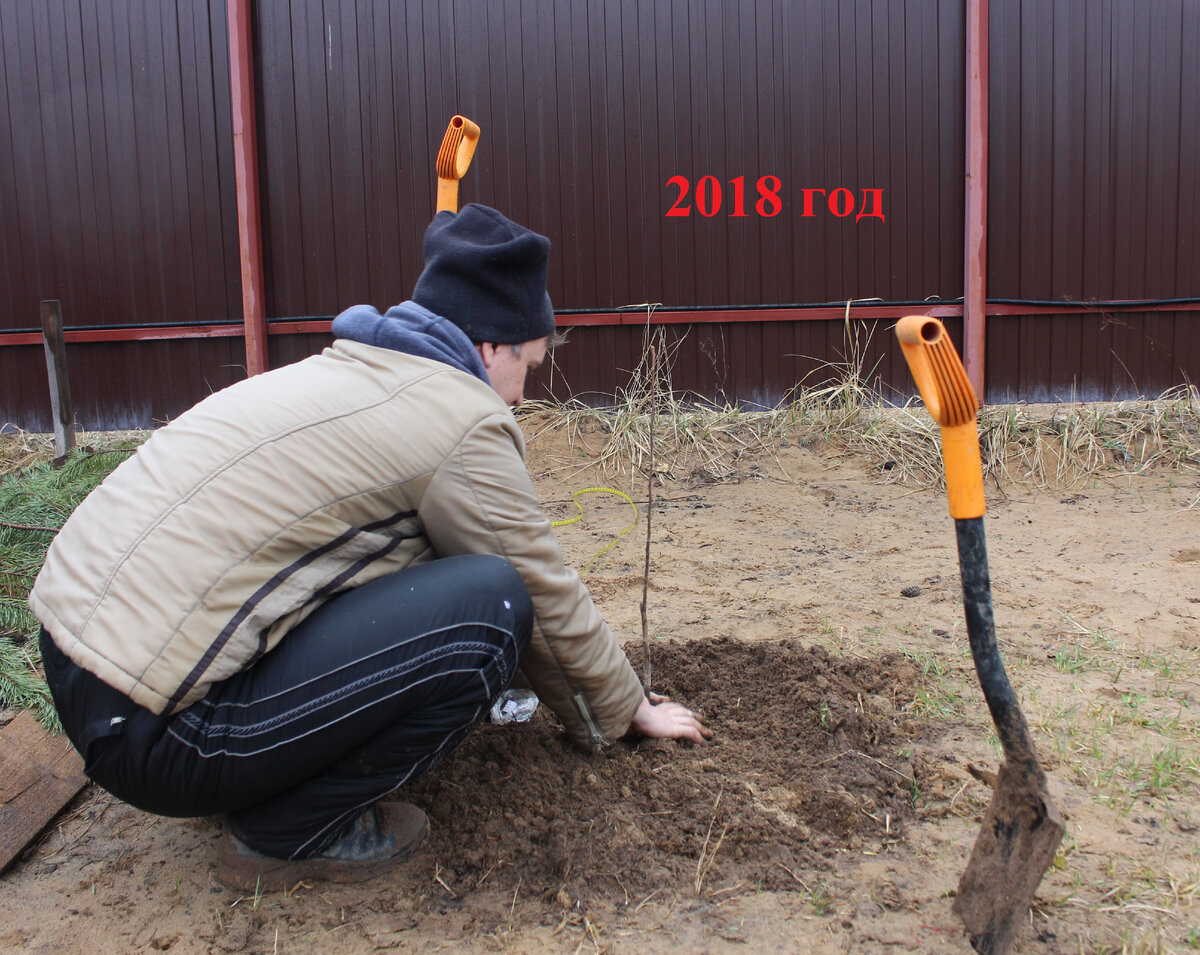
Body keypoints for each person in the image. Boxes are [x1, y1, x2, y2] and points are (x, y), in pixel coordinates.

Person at [29, 203, 711, 892]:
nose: (523, 393)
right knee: (491, 604)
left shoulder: (354, 372)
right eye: (528, 366)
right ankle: (287, 829)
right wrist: (625, 708)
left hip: (80, 663)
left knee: (437, 576)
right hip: (163, 733)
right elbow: (538, 585)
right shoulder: (458, 417)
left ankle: (255, 772)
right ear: (489, 349)